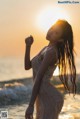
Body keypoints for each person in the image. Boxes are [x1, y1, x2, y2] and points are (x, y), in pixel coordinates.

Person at [24, 19, 77, 119]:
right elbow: (27, 66)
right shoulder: (46, 49)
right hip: (42, 96)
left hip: (49, 98)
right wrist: (28, 46)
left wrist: (30, 105)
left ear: (60, 40)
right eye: (52, 28)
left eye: (56, 33)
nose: (51, 32)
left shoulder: (52, 52)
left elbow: (39, 77)